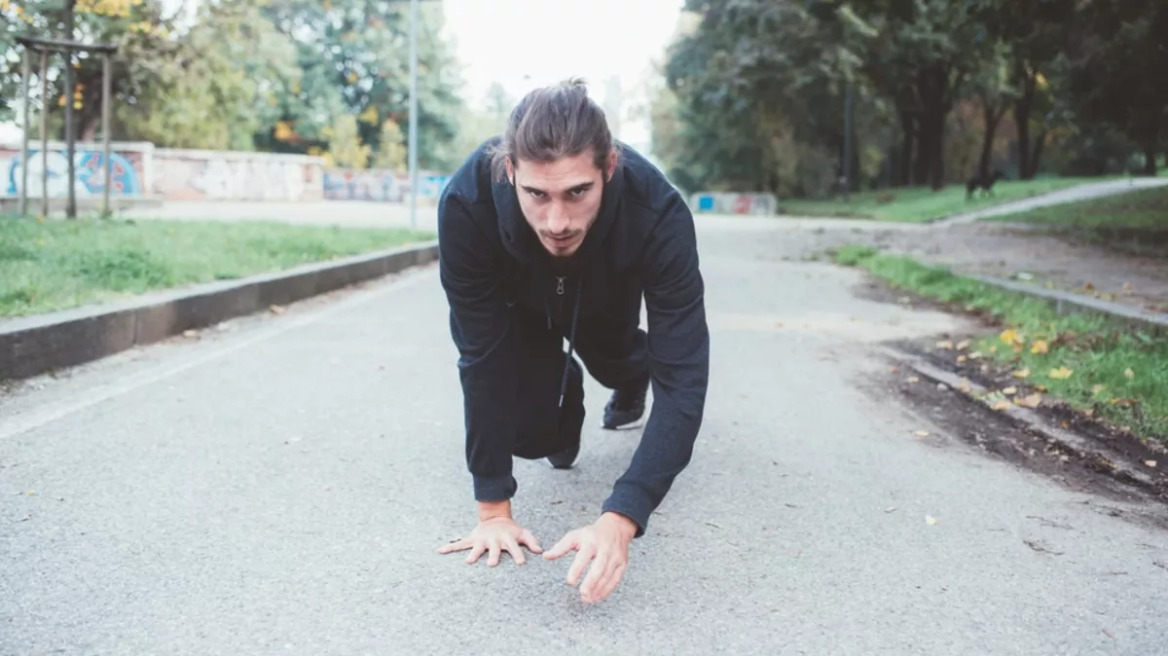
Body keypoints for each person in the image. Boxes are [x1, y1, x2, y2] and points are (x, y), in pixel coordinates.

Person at [434, 78, 710, 604]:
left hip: (607, 293)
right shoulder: (466, 203)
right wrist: (493, 510)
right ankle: (567, 387)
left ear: (609, 167)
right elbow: (481, 356)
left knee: (621, 357)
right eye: (536, 194)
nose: (557, 221)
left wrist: (622, 515)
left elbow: (683, 381)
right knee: (532, 437)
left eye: (577, 192)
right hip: (523, 306)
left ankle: (628, 375)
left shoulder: (658, 213)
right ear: (510, 170)